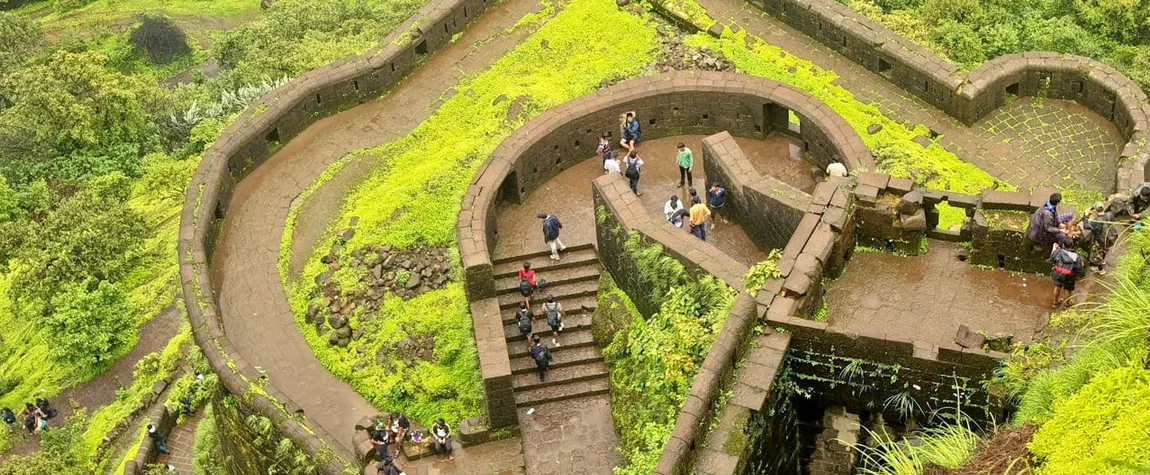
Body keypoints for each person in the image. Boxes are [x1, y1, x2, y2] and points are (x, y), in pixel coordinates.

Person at [1050, 243, 1085, 308]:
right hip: (1068, 276)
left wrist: (1054, 249)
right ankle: (1066, 304)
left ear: (1063, 244)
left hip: (1057, 273)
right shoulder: (1076, 257)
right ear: (1072, 246)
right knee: (1068, 289)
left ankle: (1055, 303)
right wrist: (1080, 275)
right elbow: (1079, 269)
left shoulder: (1058, 252)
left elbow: (1052, 259)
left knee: (1057, 287)